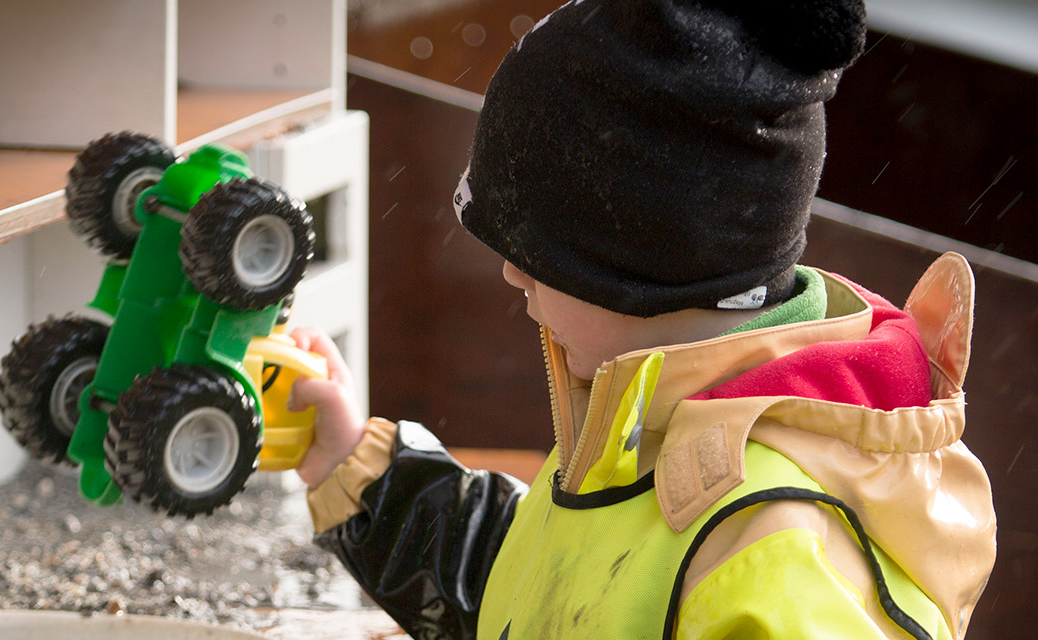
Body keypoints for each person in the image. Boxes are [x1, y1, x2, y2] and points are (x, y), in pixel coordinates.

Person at [287, 0, 996, 638]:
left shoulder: (773, 550)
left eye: (539, 254)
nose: (512, 272)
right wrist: (360, 469)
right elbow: (548, 594)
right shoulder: (652, 422)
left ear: (648, 269)